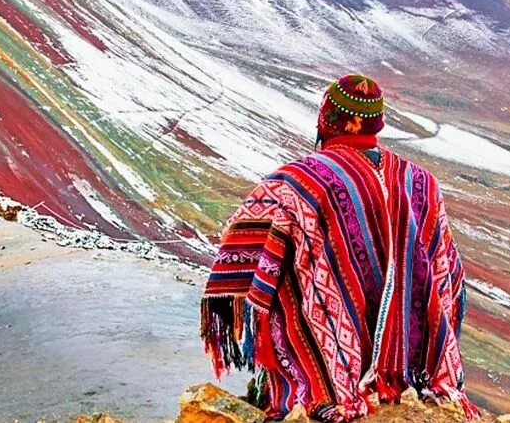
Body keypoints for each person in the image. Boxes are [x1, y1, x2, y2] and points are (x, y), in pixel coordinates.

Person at [200, 75, 476, 422]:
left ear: (326, 121)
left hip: (332, 363)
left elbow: (243, 242)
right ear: (379, 123)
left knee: (288, 269)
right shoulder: (421, 182)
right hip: (407, 362)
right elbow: (444, 269)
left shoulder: (299, 182)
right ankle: (397, 374)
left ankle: (322, 376)